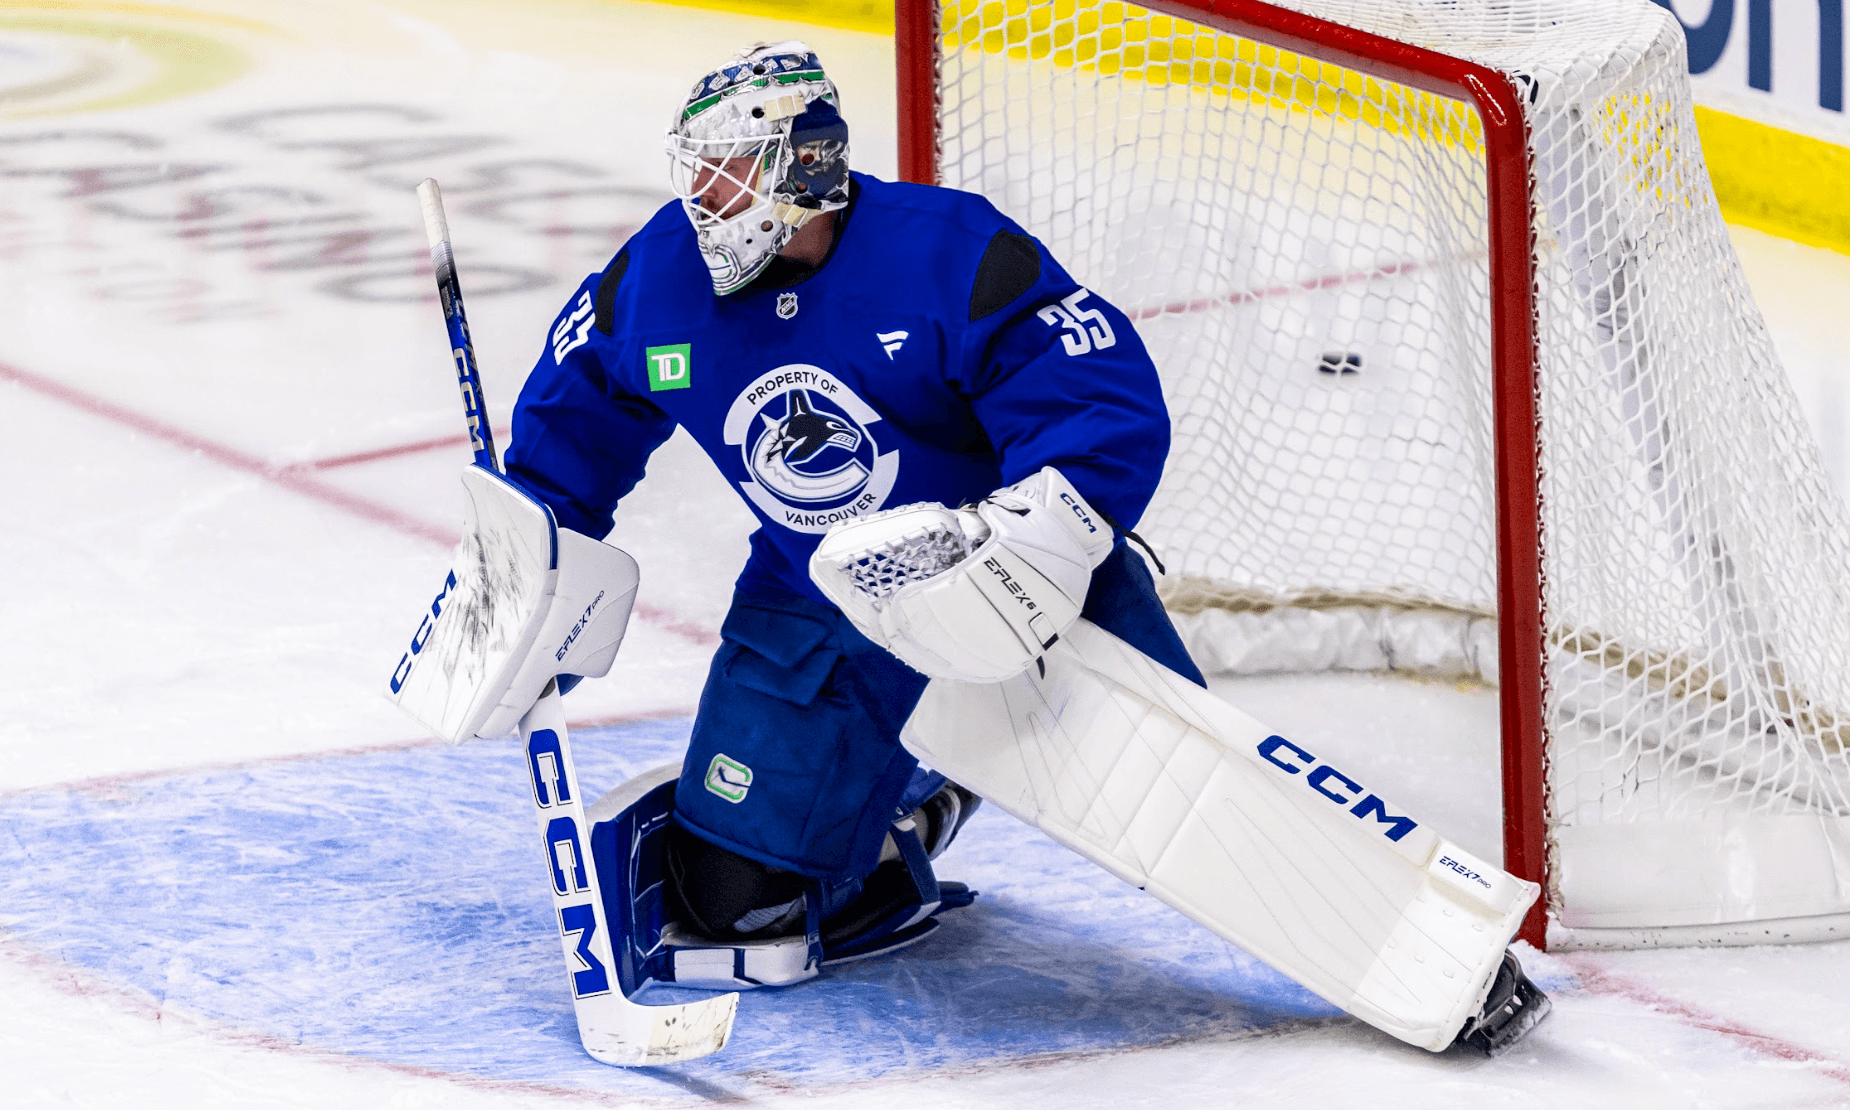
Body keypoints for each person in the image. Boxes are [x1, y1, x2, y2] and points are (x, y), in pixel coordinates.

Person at [502, 40, 1548, 1054]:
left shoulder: (945, 252)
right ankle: (913, 810)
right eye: (701, 176)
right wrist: (529, 547)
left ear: (802, 168)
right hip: (814, 600)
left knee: (1213, 810)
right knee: (738, 905)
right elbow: (574, 411)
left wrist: (1032, 539)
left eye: (731, 176)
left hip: (1010, 584)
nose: (705, 203)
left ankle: (1453, 969)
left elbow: (1098, 399)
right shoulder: (658, 277)